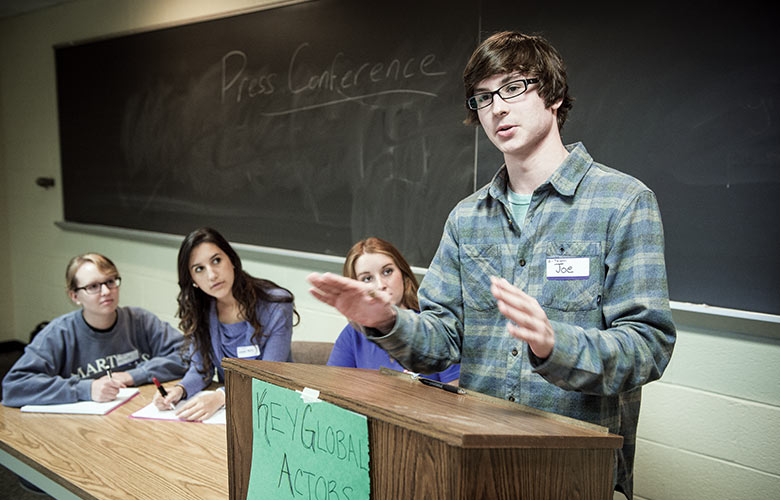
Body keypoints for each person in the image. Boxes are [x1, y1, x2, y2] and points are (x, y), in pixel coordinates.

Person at [307, 31, 676, 499]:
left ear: (555, 95)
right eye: (482, 97)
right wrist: (386, 321)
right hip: (477, 465)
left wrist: (553, 344)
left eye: (514, 87)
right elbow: (441, 342)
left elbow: (649, 346)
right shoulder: (466, 218)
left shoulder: (622, 203)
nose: (497, 107)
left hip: (573, 473)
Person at [2, 253, 186, 407]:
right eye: (93, 287)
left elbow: (190, 354)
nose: (106, 291)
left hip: (136, 413)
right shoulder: (59, 333)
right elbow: (14, 386)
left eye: (110, 282)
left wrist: (133, 375)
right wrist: (86, 389)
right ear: (75, 296)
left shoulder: (139, 320)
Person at [154, 227, 298, 421]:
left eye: (216, 261)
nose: (212, 275)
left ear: (231, 260)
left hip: (275, 411)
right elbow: (201, 369)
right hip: (229, 415)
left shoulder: (276, 305)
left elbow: (268, 376)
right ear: (193, 280)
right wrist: (180, 390)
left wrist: (221, 396)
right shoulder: (201, 309)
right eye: (199, 269)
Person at [327, 237, 459, 384]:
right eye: (367, 279)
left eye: (387, 272)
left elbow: (455, 397)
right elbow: (333, 389)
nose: (380, 285)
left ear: (403, 274)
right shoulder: (353, 333)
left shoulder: (434, 327)